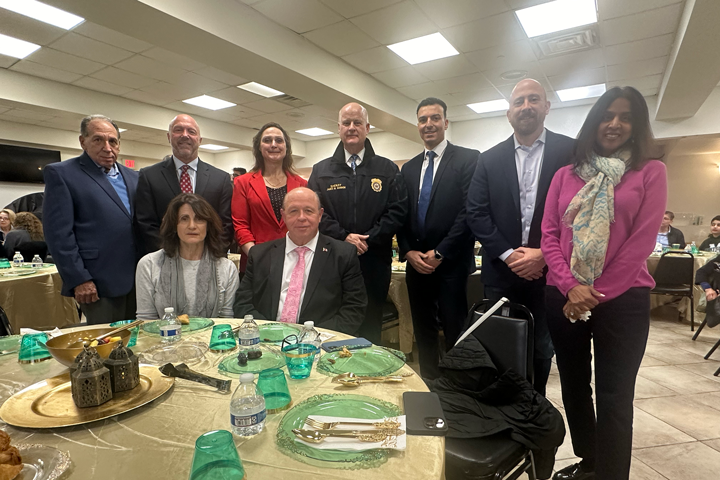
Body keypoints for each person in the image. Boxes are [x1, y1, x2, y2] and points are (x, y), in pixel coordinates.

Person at [542, 86, 667, 480]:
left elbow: (641, 243)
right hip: (564, 295)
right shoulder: (564, 175)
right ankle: (589, 462)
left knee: (615, 397)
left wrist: (591, 294)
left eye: (625, 117)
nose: (614, 124)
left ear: (637, 125)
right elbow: (549, 235)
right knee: (574, 386)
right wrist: (570, 287)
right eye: (607, 115)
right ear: (594, 121)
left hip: (623, 299)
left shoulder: (650, 172)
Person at [466, 78, 575, 396]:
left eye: (533, 99)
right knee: (497, 346)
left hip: (550, 273)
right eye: (519, 101)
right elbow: (476, 212)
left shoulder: (571, 151)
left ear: (547, 107)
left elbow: (581, 212)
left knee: (542, 348)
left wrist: (544, 254)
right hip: (501, 274)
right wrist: (509, 255)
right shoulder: (488, 159)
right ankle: (502, 408)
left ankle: (534, 404)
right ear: (509, 112)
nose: (526, 106)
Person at [308, 103, 408, 344]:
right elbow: (315, 212)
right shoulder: (321, 171)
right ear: (339, 128)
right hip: (333, 260)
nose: (351, 127)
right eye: (346, 123)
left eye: (357, 123)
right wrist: (344, 237)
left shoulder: (387, 168)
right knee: (334, 324)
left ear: (367, 128)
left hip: (374, 261)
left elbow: (397, 210)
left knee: (370, 324)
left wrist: (368, 239)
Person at [397, 97, 479, 379]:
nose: (428, 124)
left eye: (434, 118)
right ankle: (430, 382)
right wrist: (408, 251)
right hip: (416, 264)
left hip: (451, 263)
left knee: (455, 329)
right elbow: (401, 214)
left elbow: (469, 212)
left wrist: (441, 252)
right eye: (423, 119)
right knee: (424, 331)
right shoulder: (408, 168)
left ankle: (456, 385)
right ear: (417, 125)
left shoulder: (468, 159)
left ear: (445, 122)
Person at [44, 114, 139, 324]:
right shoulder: (63, 174)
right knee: (106, 340)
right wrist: (79, 278)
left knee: (140, 337)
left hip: (138, 279)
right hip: (97, 282)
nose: (107, 147)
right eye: (98, 140)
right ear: (83, 141)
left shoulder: (134, 177)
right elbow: (59, 234)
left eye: (113, 141)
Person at [234, 187, 367, 334]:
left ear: (320, 215)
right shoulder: (259, 254)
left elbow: (354, 309)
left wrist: (312, 337)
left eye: (309, 211)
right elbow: (243, 304)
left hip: (321, 340)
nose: (301, 217)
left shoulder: (343, 255)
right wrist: (269, 333)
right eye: (293, 211)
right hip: (266, 339)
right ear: (283, 216)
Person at [135, 114, 233, 255]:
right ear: (169, 137)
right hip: (165, 258)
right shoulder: (149, 176)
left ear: (199, 140)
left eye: (191, 131)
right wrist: (170, 256)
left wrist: (209, 256)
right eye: (178, 130)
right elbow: (146, 224)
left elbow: (226, 225)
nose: (185, 135)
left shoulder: (220, 179)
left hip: (210, 258)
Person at [135, 194, 239, 319]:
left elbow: (227, 320)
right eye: (184, 219)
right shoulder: (149, 264)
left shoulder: (227, 268)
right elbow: (145, 320)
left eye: (199, 219)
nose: (192, 226)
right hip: (162, 332)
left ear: (208, 226)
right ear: (174, 225)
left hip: (213, 332)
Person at [231, 123, 307, 273]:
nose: (273, 144)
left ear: (286, 147)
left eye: (279, 140)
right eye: (267, 140)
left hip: (294, 261)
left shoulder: (302, 184)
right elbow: (240, 225)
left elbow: (305, 223)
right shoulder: (243, 183)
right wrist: (256, 254)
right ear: (259, 147)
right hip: (256, 261)